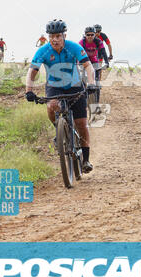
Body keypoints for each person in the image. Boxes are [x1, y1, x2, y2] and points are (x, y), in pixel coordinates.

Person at [25, 19, 97, 173]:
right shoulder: (43, 51)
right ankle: (59, 130)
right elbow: (32, 72)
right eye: (51, 36)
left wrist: (91, 83)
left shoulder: (74, 47)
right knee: (51, 106)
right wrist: (28, 90)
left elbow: (88, 66)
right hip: (54, 87)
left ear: (64, 35)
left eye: (58, 36)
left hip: (75, 86)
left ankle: (86, 159)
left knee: (81, 123)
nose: (54, 40)